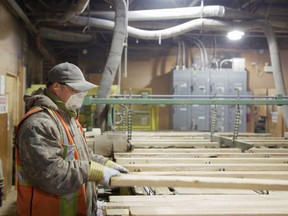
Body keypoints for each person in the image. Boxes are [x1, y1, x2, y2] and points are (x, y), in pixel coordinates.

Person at [15, 62, 129, 216]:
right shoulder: (39, 124)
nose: (81, 95)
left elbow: (83, 155)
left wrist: (105, 164)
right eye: (76, 90)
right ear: (57, 87)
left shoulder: (68, 118)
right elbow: (50, 173)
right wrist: (93, 172)